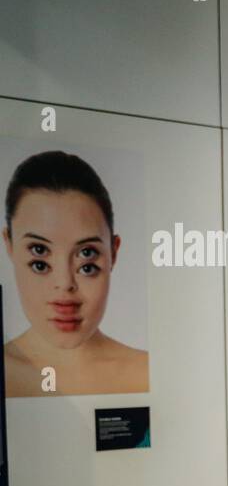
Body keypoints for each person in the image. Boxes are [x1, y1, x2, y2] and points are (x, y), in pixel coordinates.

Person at [3, 150, 148, 397]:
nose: (65, 285)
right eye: (40, 259)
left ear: (114, 252)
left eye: (87, 263)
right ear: (10, 246)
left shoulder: (143, 371)